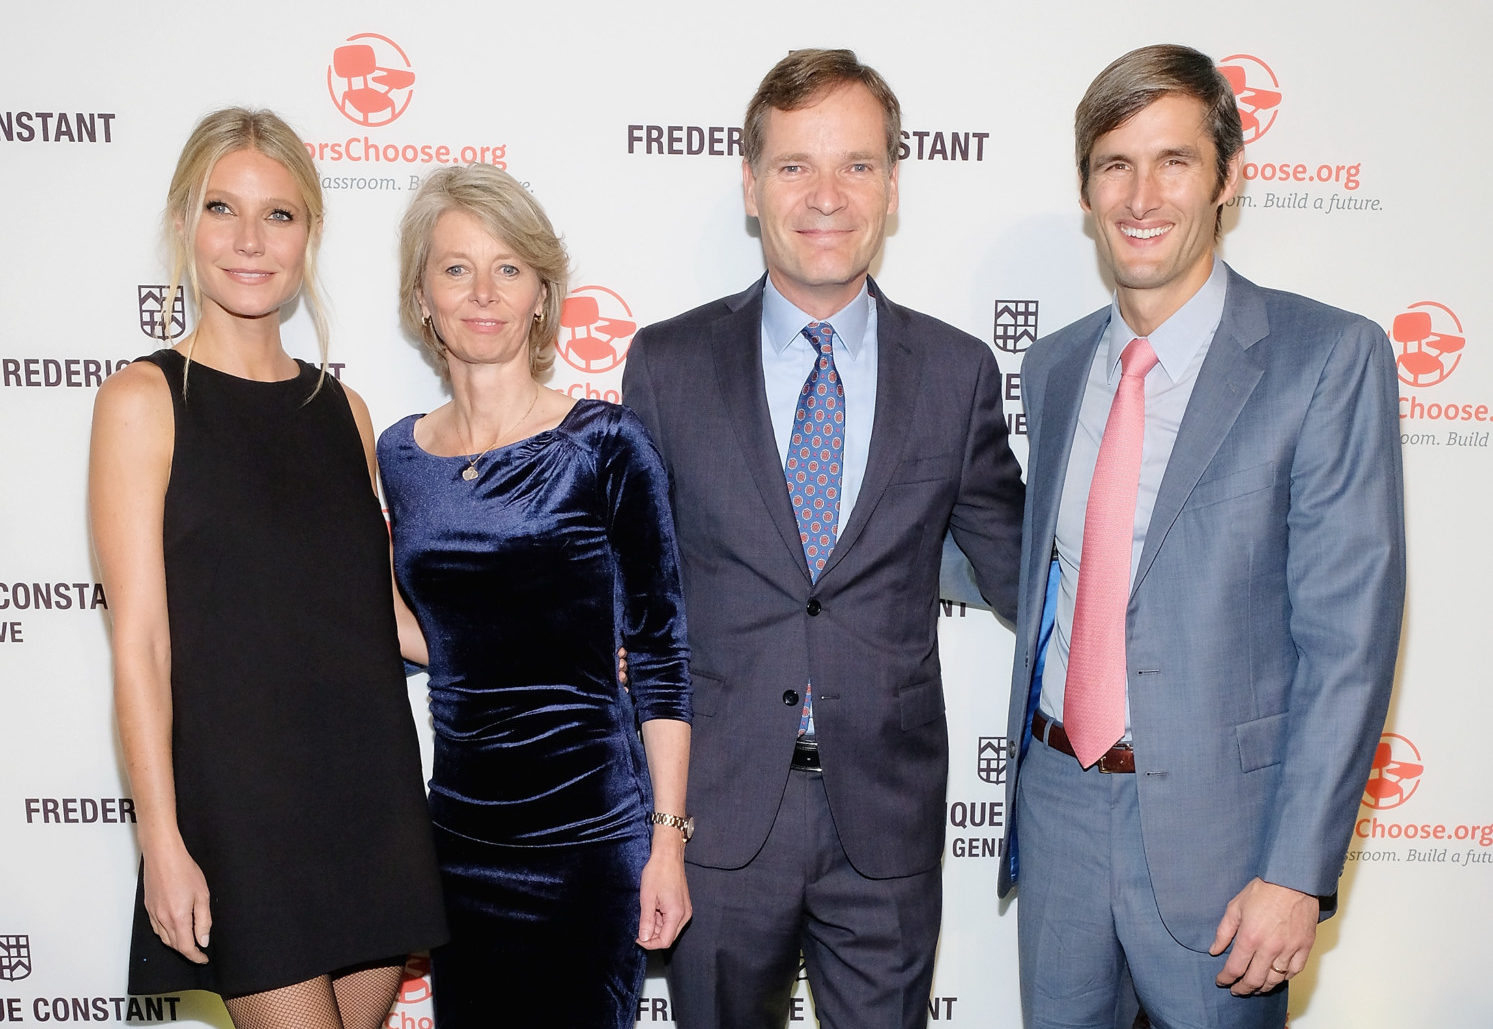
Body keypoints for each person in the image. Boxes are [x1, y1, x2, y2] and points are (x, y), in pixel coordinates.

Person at [997, 44, 1404, 1028]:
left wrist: (1294, 871)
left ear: (1225, 178)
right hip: (1057, 807)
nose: (1141, 194)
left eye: (1172, 161)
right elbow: (1036, 561)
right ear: (1087, 190)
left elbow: (1346, 641)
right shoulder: (1053, 368)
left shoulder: (1324, 357)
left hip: (1223, 844)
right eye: (1114, 164)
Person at [622, 49, 1026, 1029]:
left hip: (882, 821)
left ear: (892, 186)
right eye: (795, 165)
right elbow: (627, 588)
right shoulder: (667, 365)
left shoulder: (955, 370)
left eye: (855, 164)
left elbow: (1024, 568)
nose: (826, 195)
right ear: (751, 186)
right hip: (713, 818)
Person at [88, 108, 446, 1028]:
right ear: (183, 224)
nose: (250, 240)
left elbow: (387, 617)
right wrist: (160, 839)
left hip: (367, 794)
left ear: (310, 234)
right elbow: (140, 645)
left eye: (279, 215)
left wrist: (552, 649)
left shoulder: (347, 412)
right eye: (221, 208)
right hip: (239, 812)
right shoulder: (143, 400)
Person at [378, 163, 693, 1029]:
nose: (483, 292)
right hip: (460, 838)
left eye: (508, 268)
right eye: (456, 268)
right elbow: (407, 622)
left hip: (591, 840)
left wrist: (666, 841)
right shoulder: (397, 457)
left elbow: (662, 654)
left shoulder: (605, 443)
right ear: (422, 296)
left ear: (542, 296)